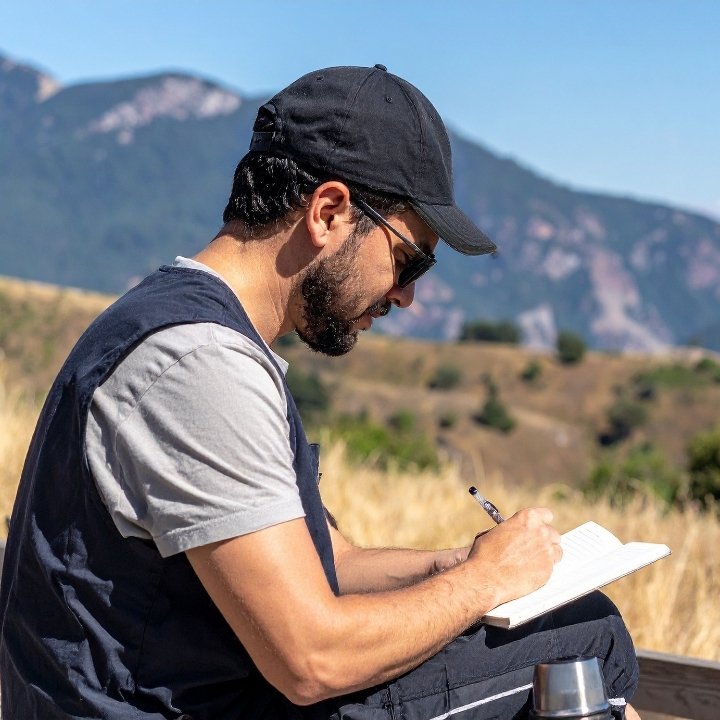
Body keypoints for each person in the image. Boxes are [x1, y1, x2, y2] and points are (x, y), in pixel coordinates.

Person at [0, 65, 641, 719]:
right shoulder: (200, 363)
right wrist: (486, 583)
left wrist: (463, 562)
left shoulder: (188, 328)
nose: (407, 295)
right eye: (409, 257)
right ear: (329, 212)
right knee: (584, 641)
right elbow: (312, 661)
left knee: (577, 625)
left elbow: (330, 560)